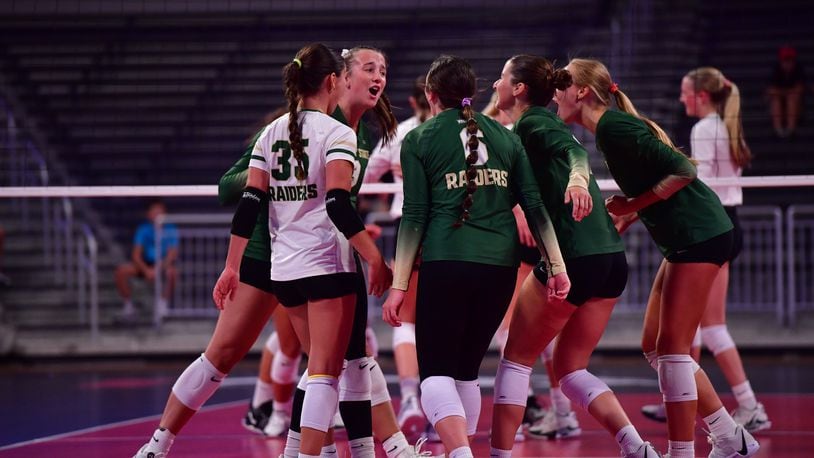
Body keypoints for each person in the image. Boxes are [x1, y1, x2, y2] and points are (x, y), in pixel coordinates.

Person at [554, 57, 760, 458]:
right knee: (654, 345)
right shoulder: (608, 132)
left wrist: (633, 202)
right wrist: (631, 212)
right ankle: (730, 436)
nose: (555, 92)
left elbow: (683, 170)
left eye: (562, 83)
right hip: (687, 238)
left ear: (581, 91)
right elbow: (658, 182)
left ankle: (683, 451)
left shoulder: (614, 127)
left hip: (700, 234)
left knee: (671, 350)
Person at [382, 55, 570, 458]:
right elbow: (535, 207)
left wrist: (399, 285)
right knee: (467, 371)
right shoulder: (507, 137)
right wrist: (557, 266)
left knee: (435, 372)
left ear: (431, 96)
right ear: (472, 93)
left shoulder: (419, 139)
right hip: (499, 269)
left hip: (446, 264)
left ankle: (460, 453)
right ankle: (461, 449)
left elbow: (414, 217)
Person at [488, 54, 656, 458]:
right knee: (569, 369)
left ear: (520, 88)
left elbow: (574, 153)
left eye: (501, 78)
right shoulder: (519, 127)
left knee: (515, 361)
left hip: (575, 257)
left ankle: (499, 453)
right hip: (610, 261)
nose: (495, 84)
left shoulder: (535, 122)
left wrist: (579, 179)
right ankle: (637, 447)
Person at [639, 67, 771, 434]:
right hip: (728, 222)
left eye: (685, 93)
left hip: (713, 226)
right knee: (694, 327)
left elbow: (700, 188)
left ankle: (747, 404)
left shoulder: (704, 129)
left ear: (701, 95)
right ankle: (681, 398)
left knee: (709, 328)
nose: (682, 100)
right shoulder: (725, 126)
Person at [483, 91, 574, 440]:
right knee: (529, 334)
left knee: (516, 334)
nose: (495, 84)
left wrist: (518, 208)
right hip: (533, 233)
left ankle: (526, 417)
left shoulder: (516, 128)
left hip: (527, 237)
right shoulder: (512, 126)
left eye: (502, 80)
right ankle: (554, 411)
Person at [364, 74, 431, 439]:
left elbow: (366, 180)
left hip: (409, 228)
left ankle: (409, 399)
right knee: (439, 320)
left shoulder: (398, 134)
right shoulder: (457, 133)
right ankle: (441, 407)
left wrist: (392, 186)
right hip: (449, 231)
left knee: (405, 320)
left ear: (414, 99)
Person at [115, 199, 178, 321]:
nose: (158, 214)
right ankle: (128, 306)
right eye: (154, 211)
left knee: (173, 273)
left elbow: (172, 254)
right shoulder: (143, 229)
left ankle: (163, 305)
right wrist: (146, 270)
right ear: (148, 214)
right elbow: (136, 255)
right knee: (121, 271)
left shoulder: (171, 229)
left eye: (160, 211)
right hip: (145, 264)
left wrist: (158, 269)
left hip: (162, 264)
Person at [767, 45, 805, 138]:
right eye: (785, 60)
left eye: (790, 60)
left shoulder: (798, 70)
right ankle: (778, 130)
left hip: (796, 106)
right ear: (781, 61)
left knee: (792, 99)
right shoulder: (776, 71)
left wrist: (783, 93)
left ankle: (790, 129)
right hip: (779, 106)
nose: (787, 63)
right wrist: (787, 92)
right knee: (776, 101)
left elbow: (800, 89)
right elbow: (770, 91)